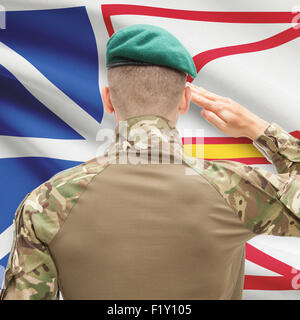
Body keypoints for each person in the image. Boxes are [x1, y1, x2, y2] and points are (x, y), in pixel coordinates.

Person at [1, 24, 299, 300]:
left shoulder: (46, 202)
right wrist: (259, 130)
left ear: (108, 99)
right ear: (185, 100)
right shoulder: (235, 189)